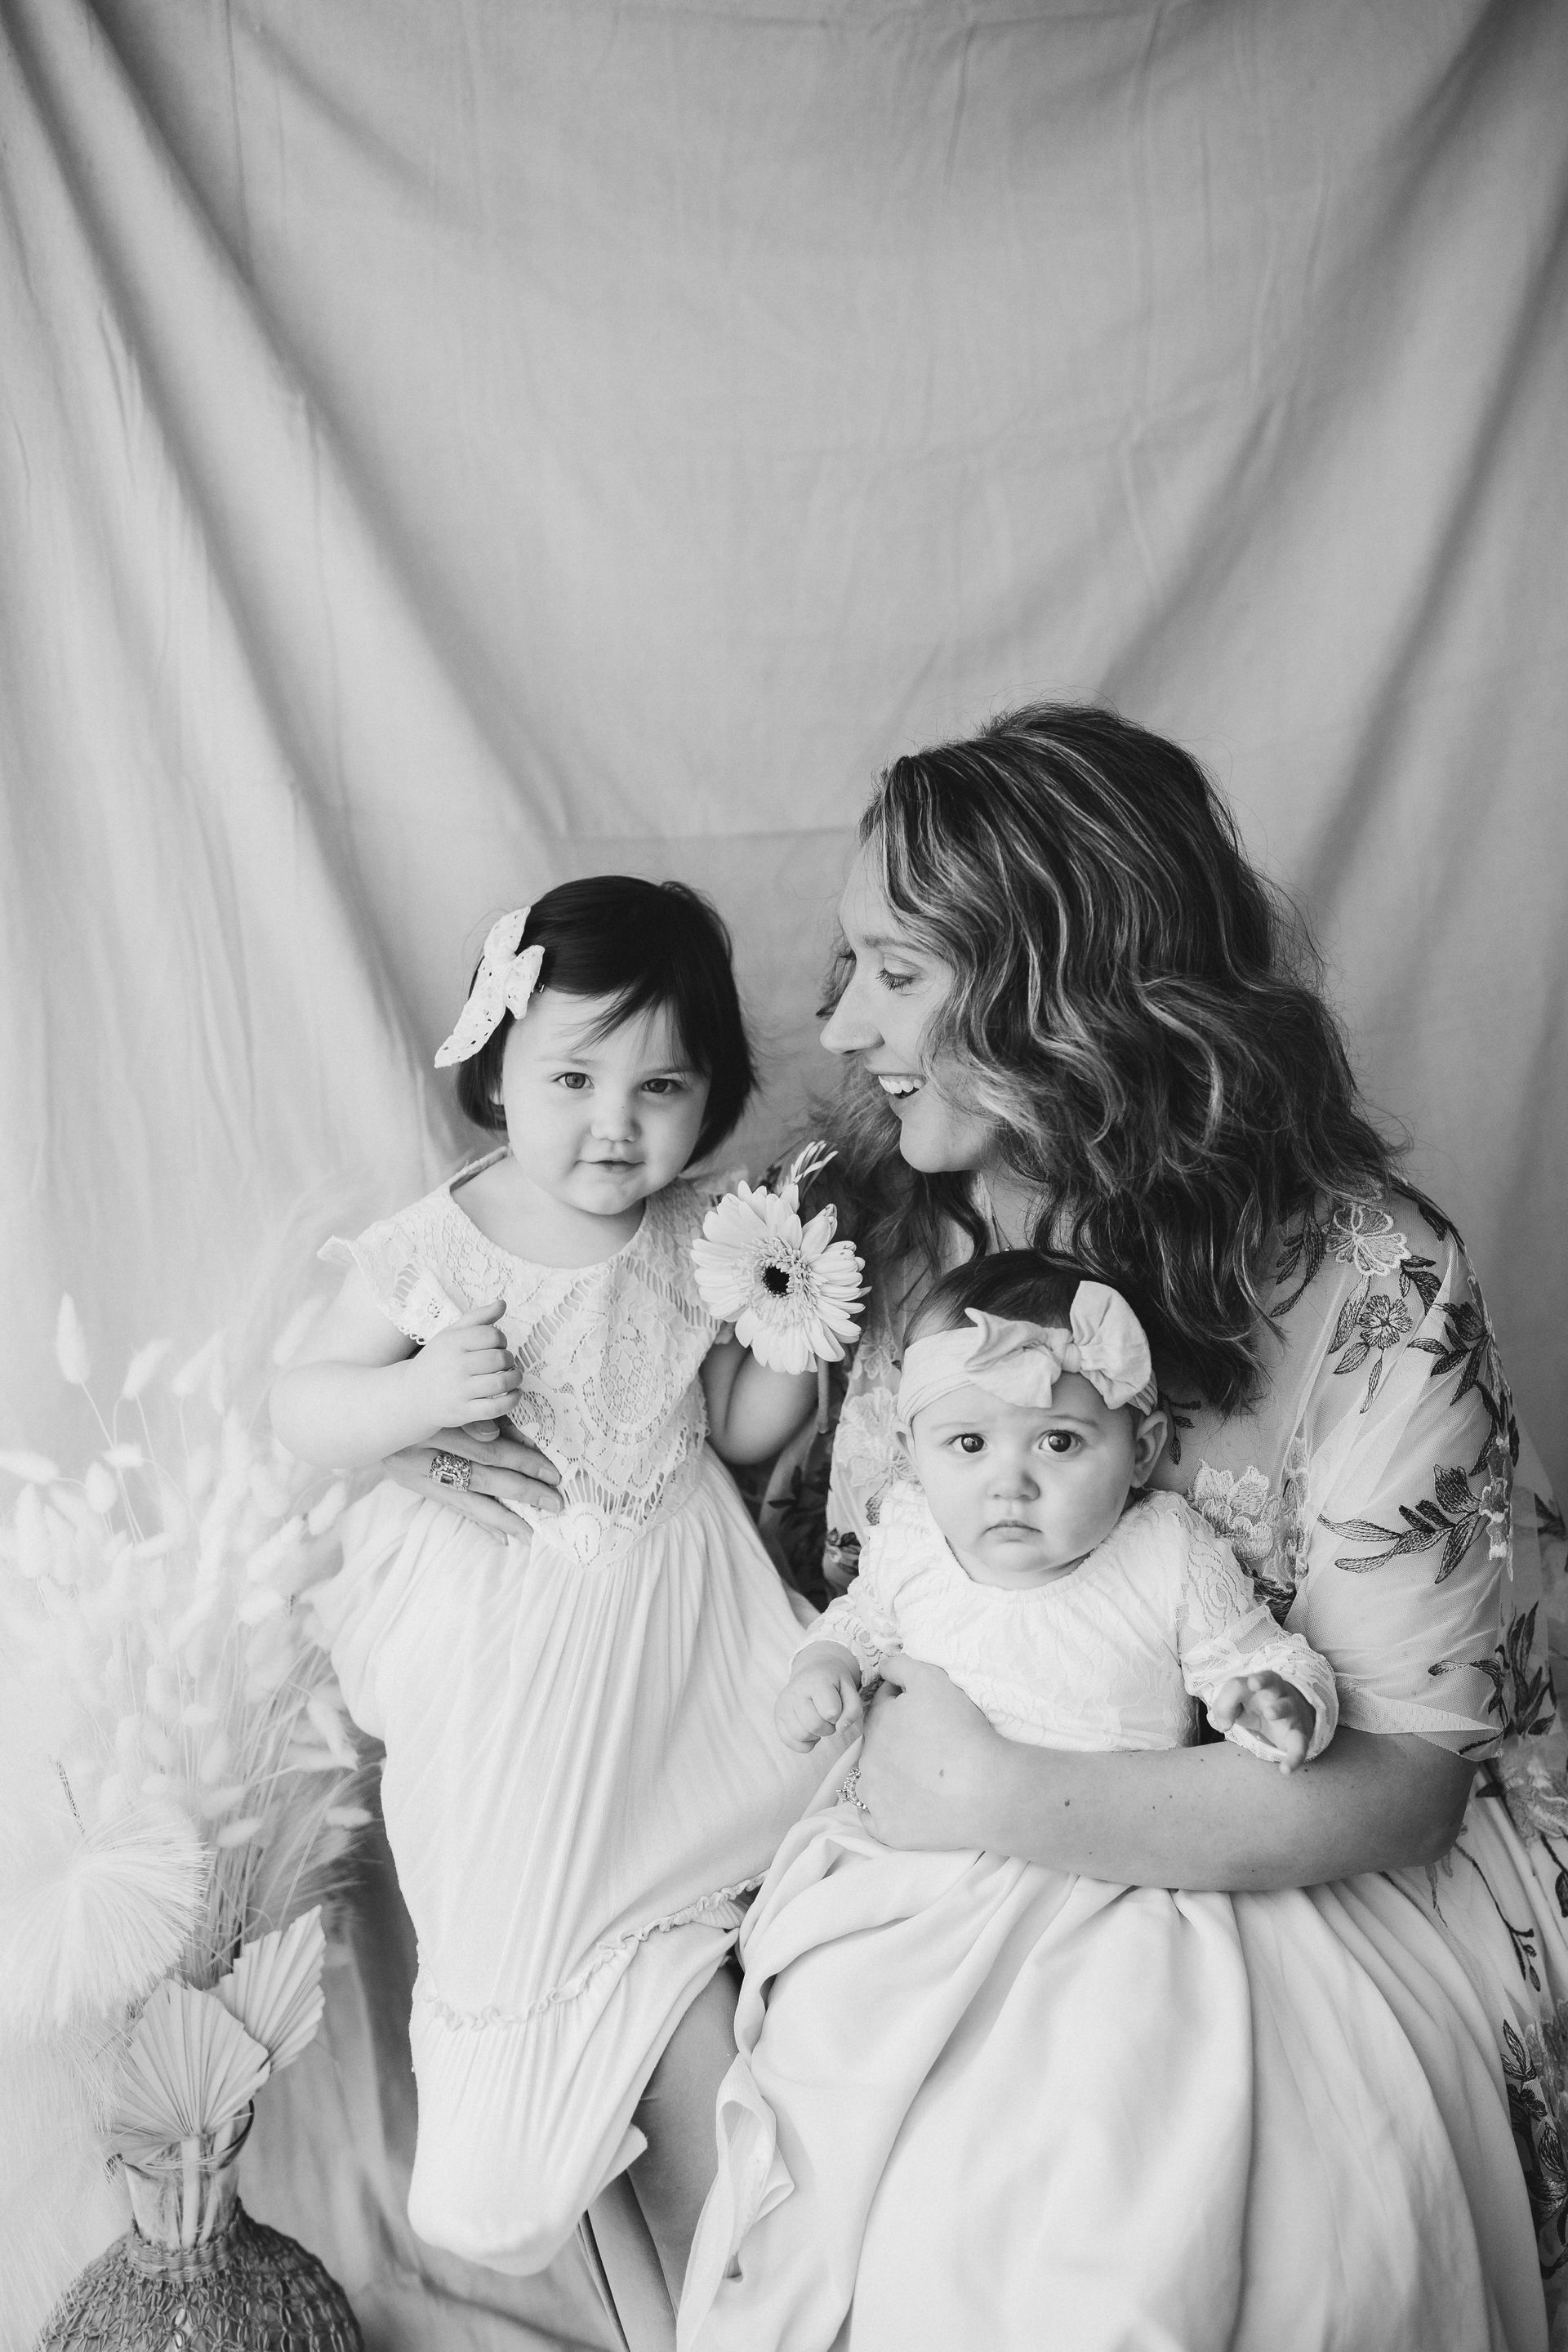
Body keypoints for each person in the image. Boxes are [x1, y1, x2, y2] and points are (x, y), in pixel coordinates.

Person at [381, 705, 1566, 2348]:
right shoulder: (865, 1223)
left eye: (892, 969)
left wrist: (1009, 1799)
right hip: (911, 1809)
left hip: (1277, 1835)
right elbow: (647, 1411)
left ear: (1053, 986)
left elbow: (1409, 1783)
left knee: (1106, 2211)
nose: (838, 1017)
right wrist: (449, 1443)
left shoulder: (1369, 1283)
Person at [272, 878, 827, 2295]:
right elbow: (301, 1409)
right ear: (495, 1064)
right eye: (573, 1077)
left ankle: (708, 2238)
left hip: (675, 1628)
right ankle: (545, 2121)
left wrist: (786, 1328)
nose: (614, 1124)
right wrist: (406, 1404)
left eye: (662, 1088)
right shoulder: (441, 1240)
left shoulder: (695, 1232)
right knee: (528, 1907)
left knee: (691, 1923)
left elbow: (740, 1433)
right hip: (511, 1642)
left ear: (708, 1101)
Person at [679, 1253, 1378, 2351]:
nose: (1010, 1482)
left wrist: (1268, 1703)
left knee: (1106, 2083)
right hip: (914, 1879)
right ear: (914, 1454)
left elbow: (1248, 1656)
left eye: (1058, 1442)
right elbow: (858, 1622)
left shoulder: (1165, 1551)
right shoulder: (915, 1537)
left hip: (1112, 1868)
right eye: (969, 1445)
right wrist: (822, 1671)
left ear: (1139, 1448)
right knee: (839, 2045)